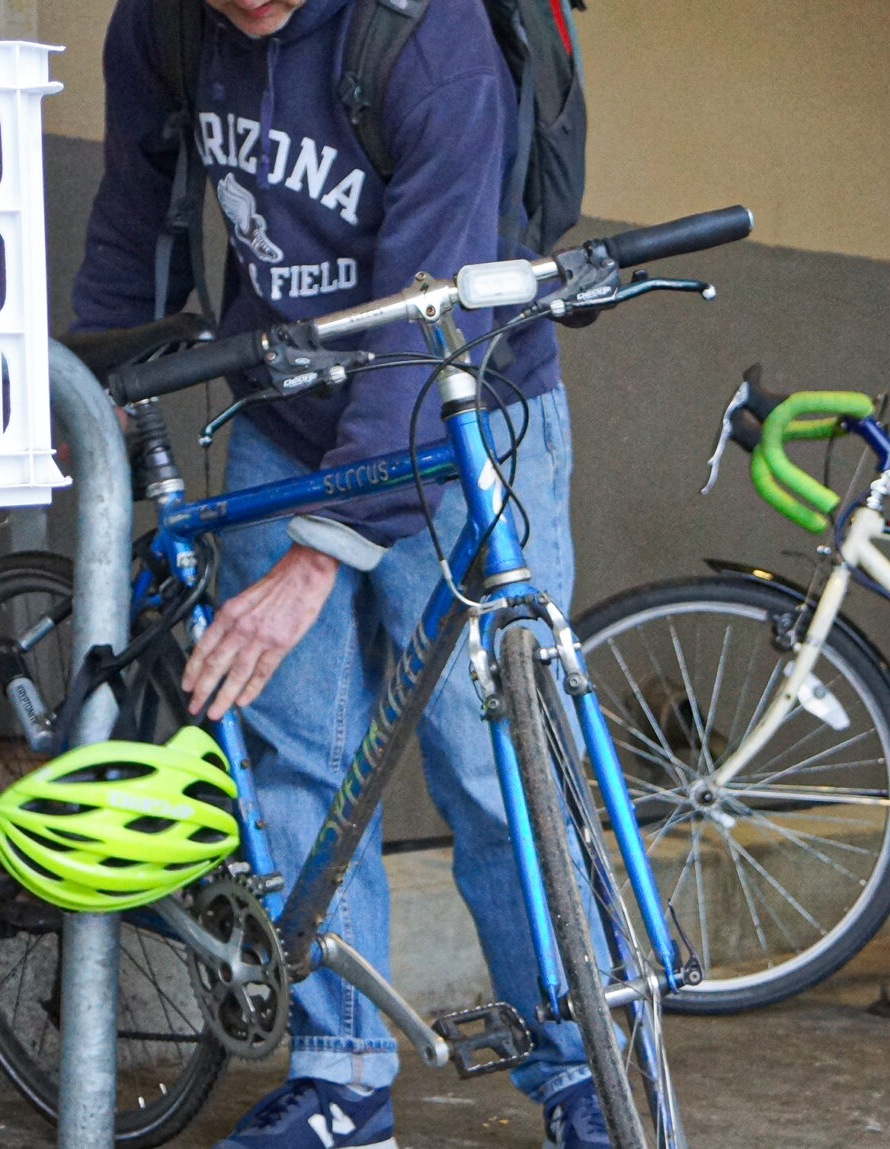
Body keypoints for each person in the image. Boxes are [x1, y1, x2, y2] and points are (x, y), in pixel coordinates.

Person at [72, 1, 607, 1146]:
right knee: (299, 761)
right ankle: (340, 1077)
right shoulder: (162, 26)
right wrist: (98, 384)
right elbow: (134, 205)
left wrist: (322, 552)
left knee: (496, 764)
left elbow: (430, 317)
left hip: (467, 414)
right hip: (283, 414)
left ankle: (576, 1066)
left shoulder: (428, 34)